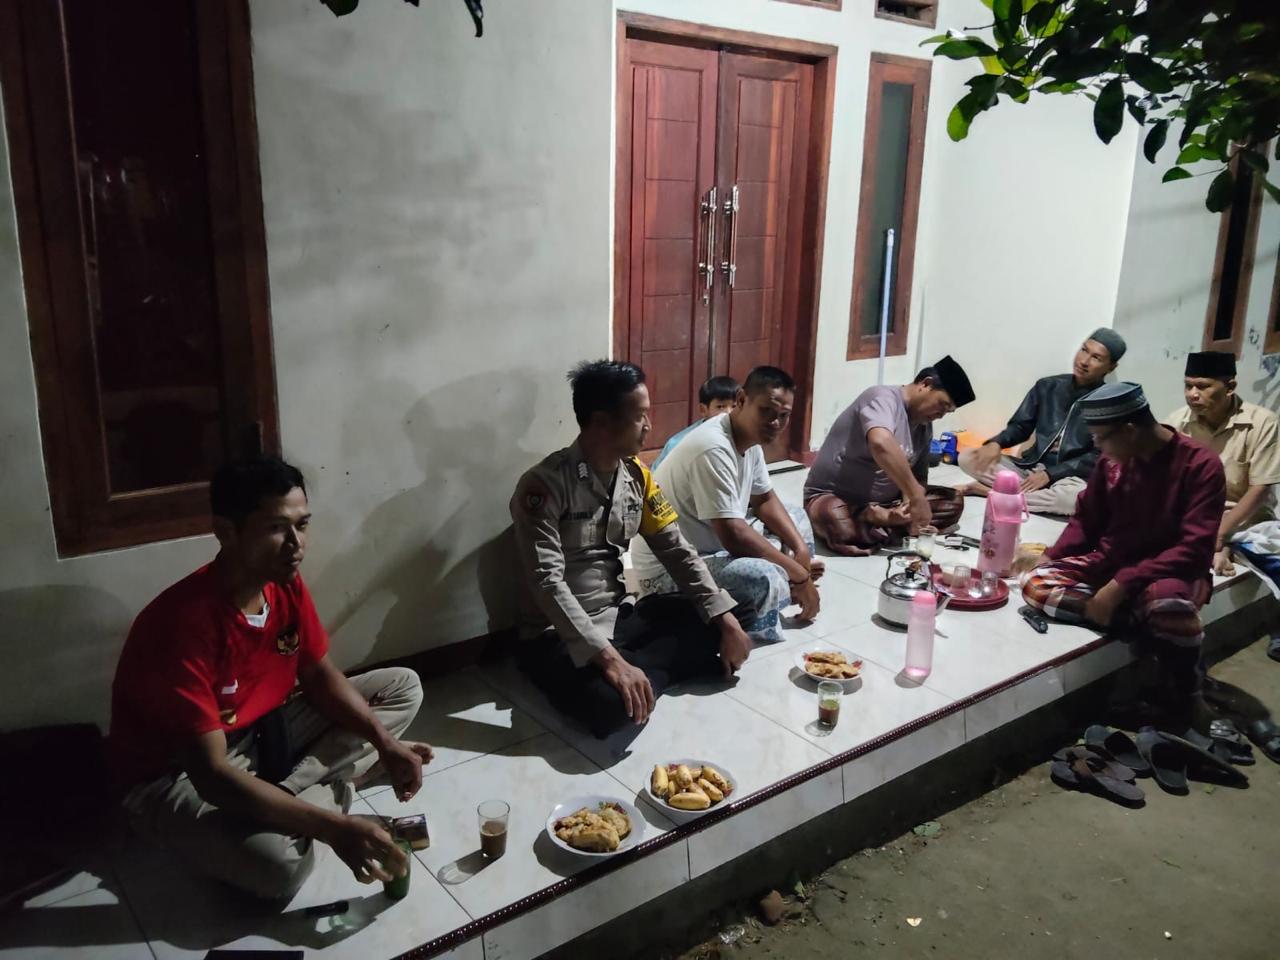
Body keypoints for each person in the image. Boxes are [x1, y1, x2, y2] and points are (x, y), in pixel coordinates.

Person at [108, 457, 432, 900]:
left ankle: (286, 799)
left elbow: (318, 675)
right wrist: (334, 830)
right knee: (279, 868)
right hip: (176, 776)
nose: (296, 544)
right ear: (226, 531)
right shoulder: (182, 626)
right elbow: (211, 775)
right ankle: (325, 792)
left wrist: (385, 742)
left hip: (262, 733)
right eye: (277, 528)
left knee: (402, 686)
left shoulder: (283, 583)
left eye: (303, 525)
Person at [510, 360, 753, 739]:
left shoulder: (637, 476)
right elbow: (547, 583)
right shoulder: (544, 486)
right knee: (609, 709)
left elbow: (677, 551)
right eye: (640, 416)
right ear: (601, 422)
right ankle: (649, 673)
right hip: (560, 634)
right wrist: (611, 662)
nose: (649, 426)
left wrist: (724, 619)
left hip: (622, 616)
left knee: (735, 611)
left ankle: (645, 674)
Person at [1022, 383, 1225, 730]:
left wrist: (1121, 585)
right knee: (1035, 582)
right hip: (1112, 562)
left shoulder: (1201, 465)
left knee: (1170, 609)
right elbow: (1087, 520)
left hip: (1171, 575)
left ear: (1130, 431)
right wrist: (1052, 557)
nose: (1098, 447)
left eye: (1101, 438)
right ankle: (1130, 621)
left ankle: (1187, 696)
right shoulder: (1112, 463)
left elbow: (1194, 549)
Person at [631, 367, 823, 644]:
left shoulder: (750, 438)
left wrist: (801, 551)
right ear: (742, 400)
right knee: (764, 576)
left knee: (796, 519)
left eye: (783, 416)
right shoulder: (712, 447)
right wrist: (799, 574)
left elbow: (764, 499)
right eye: (766, 411)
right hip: (671, 570)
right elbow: (733, 535)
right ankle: (774, 606)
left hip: (716, 549)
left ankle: (789, 585)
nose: (775, 423)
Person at [804, 356, 976, 556]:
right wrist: (916, 497)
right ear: (925, 384)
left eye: (948, 412)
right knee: (834, 517)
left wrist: (909, 508)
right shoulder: (882, 398)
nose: (940, 415)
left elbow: (918, 477)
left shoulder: (924, 427)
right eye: (941, 405)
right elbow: (880, 443)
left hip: (889, 504)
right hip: (838, 498)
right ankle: (876, 522)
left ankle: (883, 524)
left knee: (953, 501)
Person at [958, 329, 1125, 515]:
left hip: (1071, 477)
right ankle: (1022, 495)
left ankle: (991, 492)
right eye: (1084, 350)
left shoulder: (1110, 404)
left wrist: (1050, 475)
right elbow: (1021, 426)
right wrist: (996, 443)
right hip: (1031, 467)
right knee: (968, 457)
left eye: (1096, 358)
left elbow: (1097, 456)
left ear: (1111, 367)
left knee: (1070, 500)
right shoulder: (1047, 386)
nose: (1084, 361)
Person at [1167, 350, 1280, 576]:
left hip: (1246, 520)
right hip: (1194, 518)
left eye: (1202, 386)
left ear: (1230, 387)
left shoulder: (1262, 423)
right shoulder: (1177, 423)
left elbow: (1260, 489)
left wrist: (1219, 535)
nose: (1192, 394)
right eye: (1188, 386)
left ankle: (1226, 549)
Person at [652, 375, 739, 469]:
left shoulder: (744, 436)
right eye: (720, 407)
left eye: (734, 406)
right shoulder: (679, 443)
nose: (728, 413)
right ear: (703, 409)